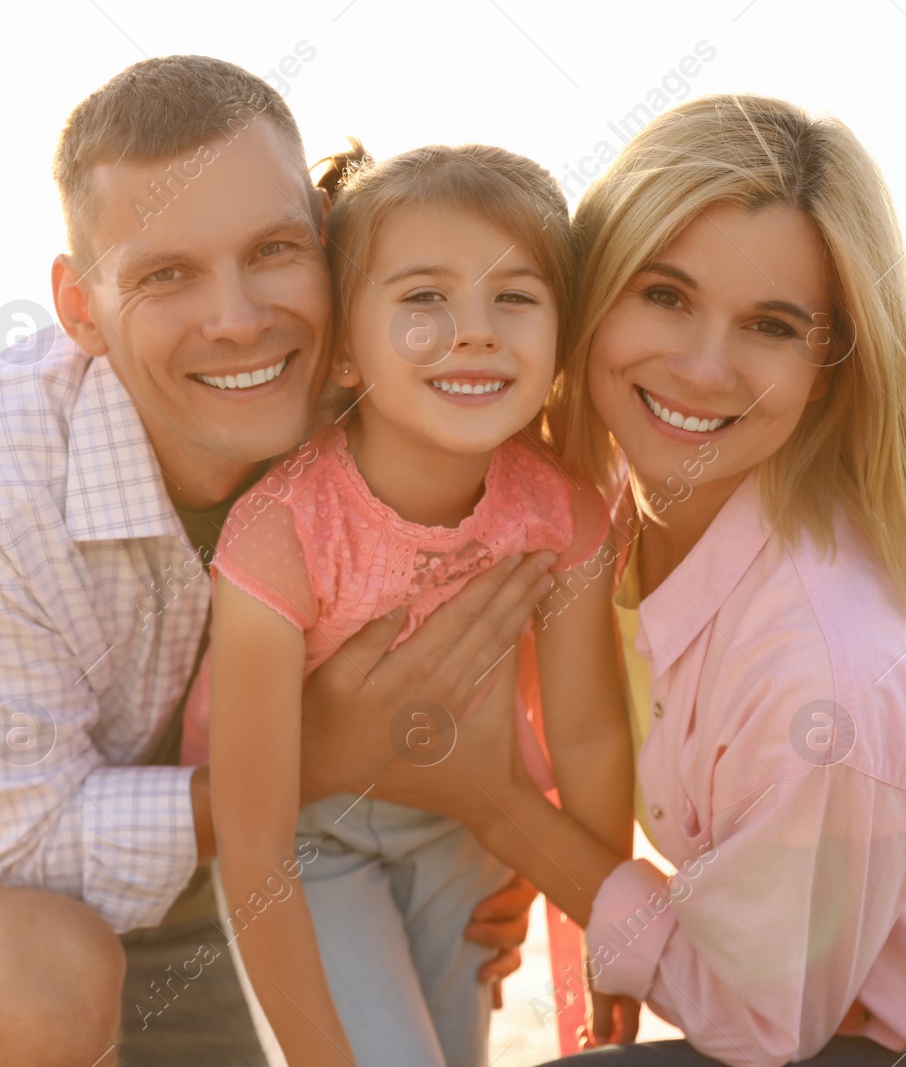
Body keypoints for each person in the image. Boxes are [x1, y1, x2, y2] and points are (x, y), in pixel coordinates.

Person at [0, 56, 552, 1067]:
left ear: (328, 243)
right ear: (81, 307)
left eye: (273, 251)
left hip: (279, 856)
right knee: (41, 994)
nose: (239, 316)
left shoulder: (393, 389)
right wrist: (327, 756)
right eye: (168, 273)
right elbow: (28, 843)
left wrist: (504, 830)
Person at [369, 94, 906, 1066]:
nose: (703, 368)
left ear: (828, 369)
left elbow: (759, 1024)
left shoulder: (830, 672)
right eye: (665, 295)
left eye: (768, 324)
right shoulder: (620, 523)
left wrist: (503, 812)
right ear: (593, 299)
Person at [184, 141, 633, 1067]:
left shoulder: (564, 512)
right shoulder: (283, 537)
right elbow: (254, 835)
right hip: (311, 838)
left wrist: (604, 929)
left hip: (463, 833)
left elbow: (587, 736)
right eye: (423, 297)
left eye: (515, 297)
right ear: (345, 350)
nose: (473, 330)